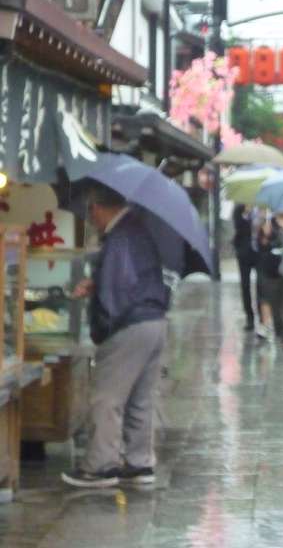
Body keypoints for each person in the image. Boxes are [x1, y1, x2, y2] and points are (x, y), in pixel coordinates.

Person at [62, 184, 169, 488]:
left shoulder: (120, 236)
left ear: (98, 206)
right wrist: (97, 281)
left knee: (106, 397)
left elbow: (117, 292)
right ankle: (139, 463)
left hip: (130, 324)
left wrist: (102, 330)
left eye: (90, 211)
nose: (90, 218)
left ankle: (101, 465)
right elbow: (125, 278)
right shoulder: (135, 230)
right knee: (140, 398)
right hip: (153, 321)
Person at [256, 211, 283, 351]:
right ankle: (279, 329)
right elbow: (261, 247)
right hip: (271, 268)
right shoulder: (269, 223)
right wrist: (265, 237)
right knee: (275, 301)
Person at [232, 203, 257, 331]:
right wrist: (246, 213)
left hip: (261, 254)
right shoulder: (239, 210)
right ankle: (250, 317)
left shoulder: (263, 210)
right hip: (244, 253)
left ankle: (264, 318)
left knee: (263, 287)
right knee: (245, 285)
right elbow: (238, 228)